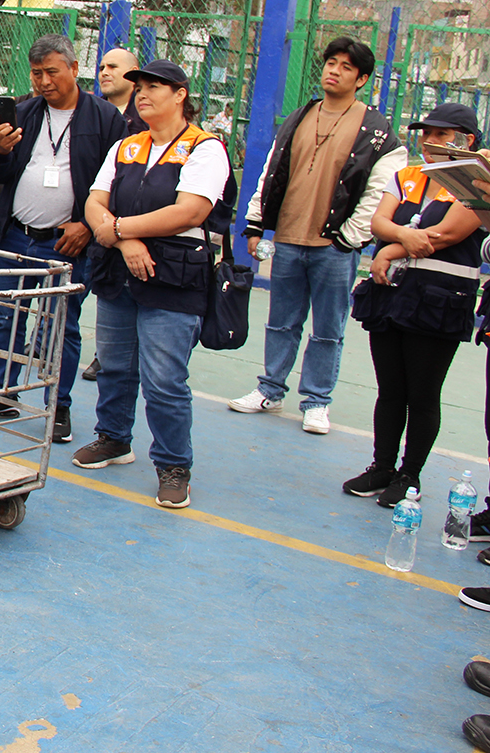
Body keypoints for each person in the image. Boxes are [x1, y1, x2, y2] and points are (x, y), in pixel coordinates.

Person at [74, 59, 234, 509]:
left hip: (175, 278)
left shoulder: (205, 149)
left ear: (180, 94)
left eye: (154, 86)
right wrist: (125, 241)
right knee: (116, 364)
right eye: (138, 86)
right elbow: (94, 201)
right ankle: (113, 438)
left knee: (164, 377)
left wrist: (120, 229)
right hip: (120, 269)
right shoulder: (127, 146)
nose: (142, 94)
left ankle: (173, 464)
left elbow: (190, 212)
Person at [229, 37, 405, 435]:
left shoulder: (375, 130)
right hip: (290, 238)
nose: (334, 70)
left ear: (361, 79)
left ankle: (317, 401)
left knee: (328, 327)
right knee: (280, 322)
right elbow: (270, 173)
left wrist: (348, 239)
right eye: (330, 62)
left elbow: (379, 190)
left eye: (345, 66)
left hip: (334, 247)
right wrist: (256, 226)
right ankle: (270, 390)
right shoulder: (300, 116)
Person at [0, 34, 126, 443]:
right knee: (6, 315)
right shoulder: (23, 111)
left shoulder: (106, 119)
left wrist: (87, 226)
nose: (43, 82)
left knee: (62, 327)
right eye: (37, 73)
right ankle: (2, 393)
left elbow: (117, 184)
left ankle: (59, 405)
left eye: (52, 72)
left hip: (67, 243)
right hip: (15, 236)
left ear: (74, 69)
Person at [343, 103, 484, 507]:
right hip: (393, 293)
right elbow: (378, 222)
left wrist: (390, 248)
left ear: (466, 140)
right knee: (390, 389)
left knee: (422, 393)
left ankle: (410, 475)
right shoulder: (406, 175)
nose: (430, 140)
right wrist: (392, 243)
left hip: (440, 298)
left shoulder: (474, 179)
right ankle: (382, 466)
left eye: (441, 135)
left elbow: (449, 232)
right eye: (426, 132)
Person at [82, 44, 146, 382]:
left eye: (114, 67)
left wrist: (120, 230)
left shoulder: (146, 122)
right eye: (102, 66)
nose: (105, 72)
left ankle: (109, 356)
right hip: (95, 222)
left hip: (131, 227)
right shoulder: (90, 113)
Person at [96, 45, 145, 135]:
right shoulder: (90, 112)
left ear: (133, 72)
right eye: (101, 68)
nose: (104, 73)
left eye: (112, 67)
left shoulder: (147, 115)